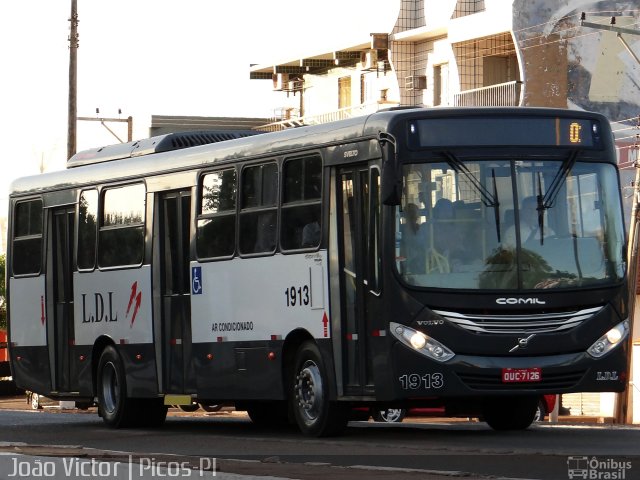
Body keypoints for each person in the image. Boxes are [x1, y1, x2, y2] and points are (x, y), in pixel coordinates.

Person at [399, 203, 427, 274]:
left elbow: (424, 248)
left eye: (413, 213)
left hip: (419, 265)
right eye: (410, 213)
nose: (412, 216)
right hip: (403, 263)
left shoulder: (422, 229)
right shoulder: (399, 229)